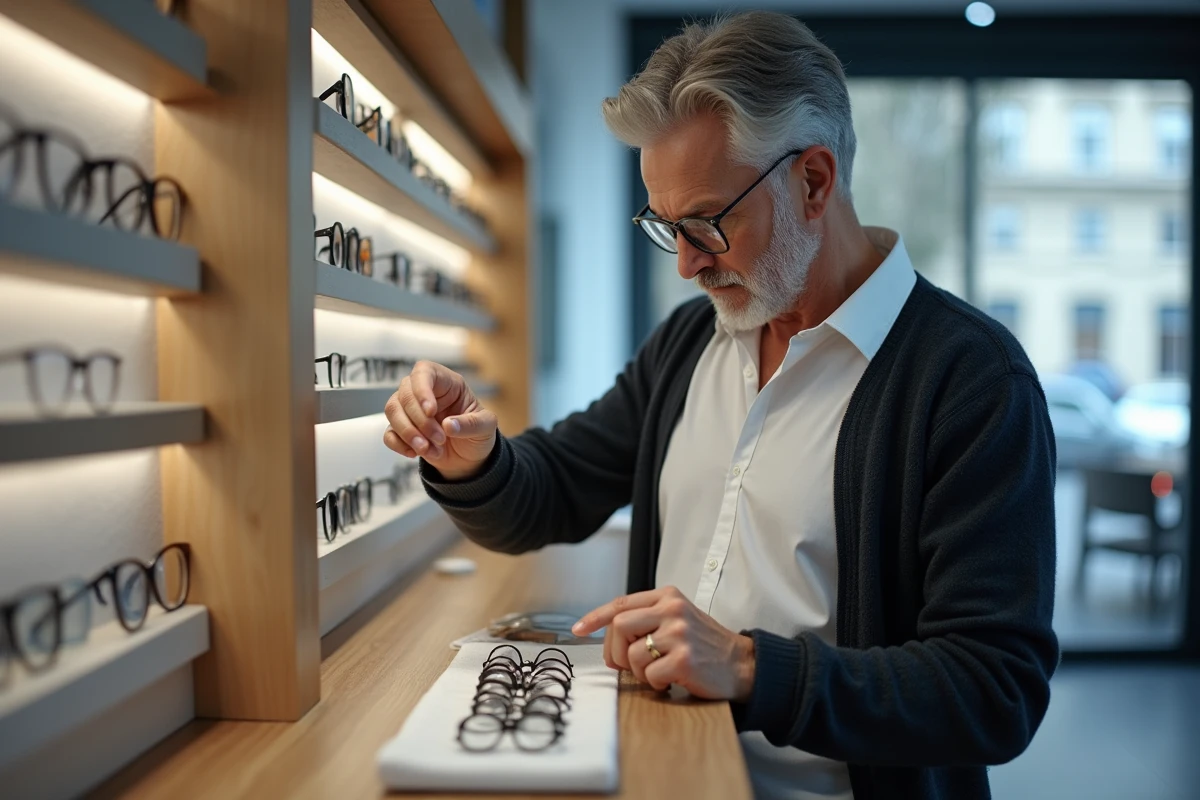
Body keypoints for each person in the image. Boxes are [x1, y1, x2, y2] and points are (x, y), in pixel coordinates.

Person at [383, 10, 1058, 800]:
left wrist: (746, 666)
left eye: (706, 223)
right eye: (667, 228)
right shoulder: (691, 342)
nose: (688, 266)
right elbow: (551, 494)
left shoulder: (970, 381)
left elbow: (994, 692)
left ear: (813, 180)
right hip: (668, 771)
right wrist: (475, 460)